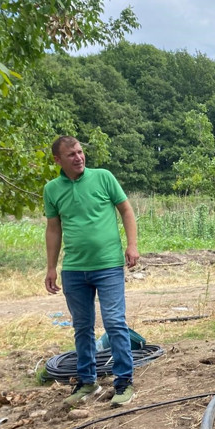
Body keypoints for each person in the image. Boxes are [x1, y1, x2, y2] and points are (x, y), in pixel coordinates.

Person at [44, 136, 140, 408]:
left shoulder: (103, 177)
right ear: (58, 160)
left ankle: (124, 382)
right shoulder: (52, 189)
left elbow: (126, 210)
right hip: (74, 270)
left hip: (108, 265)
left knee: (114, 321)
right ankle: (87, 382)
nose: (78, 157)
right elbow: (53, 229)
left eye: (80, 151)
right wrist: (51, 267)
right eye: (71, 154)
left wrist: (132, 245)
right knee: (82, 327)